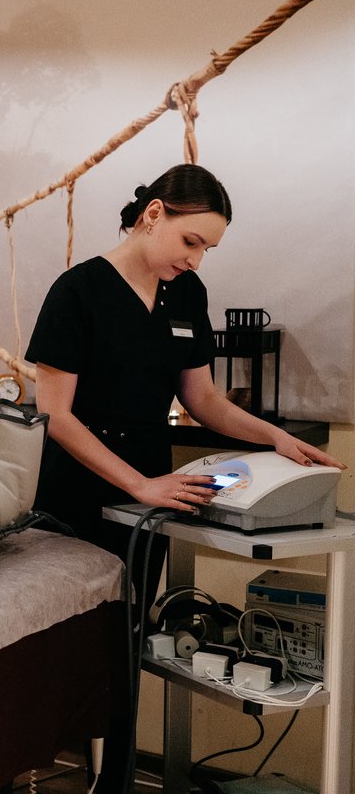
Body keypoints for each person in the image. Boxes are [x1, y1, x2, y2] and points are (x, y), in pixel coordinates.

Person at [24, 163, 346, 789]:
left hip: (152, 494)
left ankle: (114, 781)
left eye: (207, 250)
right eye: (191, 241)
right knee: (72, 650)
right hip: (80, 490)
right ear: (153, 215)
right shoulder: (77, 291)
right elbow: (55, 415)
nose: (196, 260)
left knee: (129, 644)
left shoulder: (186, 295)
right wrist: (138, 485)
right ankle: (48, 771)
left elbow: (204, 401)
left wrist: (276, 438)